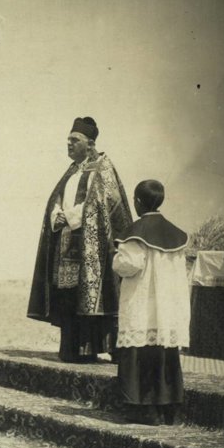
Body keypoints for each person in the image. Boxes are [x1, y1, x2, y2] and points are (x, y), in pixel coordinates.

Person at [27, 117, 132, 362]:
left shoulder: (103, 168)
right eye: (68, 140)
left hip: (93, 249)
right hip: (66, 243)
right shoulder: (73, 171)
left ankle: (91, 349)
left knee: (92, 296)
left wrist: (71, 217)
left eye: (75, 140)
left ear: (91, 143)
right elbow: (56, 199)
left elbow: (103, 204)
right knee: (68, 296)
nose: (69, 144)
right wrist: (57, 215)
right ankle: (72, 350)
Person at [112, 180, 190, 425]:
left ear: (137, 202)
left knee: (139, 353)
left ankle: (143, 410)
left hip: (143, 306)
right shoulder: (175, 234)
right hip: (166, 309)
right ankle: (170, 410)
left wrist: (115, 261)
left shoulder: (136, 233)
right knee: (165, 354)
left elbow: (129, 265)